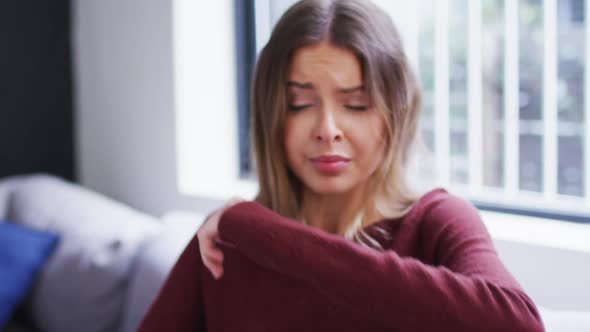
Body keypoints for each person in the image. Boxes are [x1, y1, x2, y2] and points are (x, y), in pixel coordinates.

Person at [138, 0, 544, 331]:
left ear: (394, 113)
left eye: (356, 104)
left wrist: (266, 235)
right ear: (272, 115)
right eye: (300, 104)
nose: (328, 129)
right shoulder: (224, 240)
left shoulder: (436, 222)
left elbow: (519, 324)